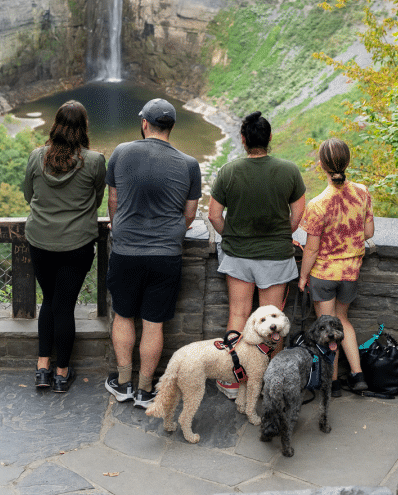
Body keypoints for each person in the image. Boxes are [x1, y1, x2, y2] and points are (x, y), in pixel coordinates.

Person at [104, 98, 202, 409]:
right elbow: (189, 215)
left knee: (123, 316)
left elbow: (114, 202)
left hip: (125, 250)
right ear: (171, 127)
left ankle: (122, 383)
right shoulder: (189, 164)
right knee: (153, 323)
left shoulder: (121, 152)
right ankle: (145, 390)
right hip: (165, 254)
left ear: (145, 124)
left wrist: (118, 226)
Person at [208, 111, 306, 398]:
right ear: (270, 138)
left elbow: (214, 216)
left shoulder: (228, 171)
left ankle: (230, 381)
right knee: (272, 323)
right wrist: (279, 235)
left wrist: (232, 236)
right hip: (276, 256)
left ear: (242, 140)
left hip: (238, 255)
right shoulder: (289, 170)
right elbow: (297, 215)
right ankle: (271, 383)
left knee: (237, 315)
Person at [22, 100, 106, 393]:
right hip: (77, 244)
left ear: (55, 124)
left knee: (49, 300)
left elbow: (28, 195)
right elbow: (96, 200)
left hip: (40, 240)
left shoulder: (37, 157)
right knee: (64, 305)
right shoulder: (94, 161)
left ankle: (42, 368)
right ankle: (61, 372)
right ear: (84, 127)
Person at [298, 138, 374, 396]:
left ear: (322, 166)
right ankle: (357, 374)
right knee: (344, 322)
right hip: (351, 272)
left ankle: (332, 383)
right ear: (348, 162)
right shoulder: (363, 192)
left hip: (324, 274)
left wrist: (302, 277)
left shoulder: (318, 204)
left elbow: (311, 249)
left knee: (327, 327)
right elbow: (368, 231)